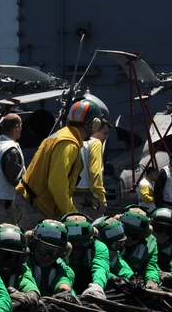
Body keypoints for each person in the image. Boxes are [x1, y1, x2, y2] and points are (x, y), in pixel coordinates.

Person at [13, 97, 109, 230]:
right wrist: (71, 213)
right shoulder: (69, 143)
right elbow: (57, 183)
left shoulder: (63, 135)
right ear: (94, 124)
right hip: (34, 207)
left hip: (35, 203)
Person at [72, 116, 111, 221]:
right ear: (95, 130)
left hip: (71, 198)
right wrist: (102, 199)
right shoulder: (95, 143)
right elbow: (95, 172)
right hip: (87, 199)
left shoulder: (75, 142)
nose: (106, 137)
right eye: (105, 133)